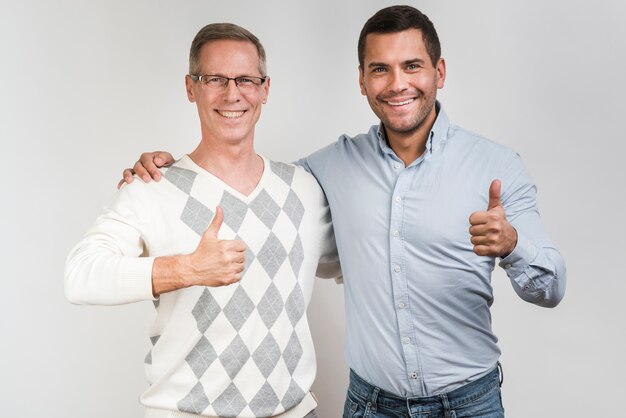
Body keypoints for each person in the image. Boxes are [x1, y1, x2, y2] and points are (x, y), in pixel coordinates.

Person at [121, 6, 566, 418]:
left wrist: (511, 246)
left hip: (471, 403)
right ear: (362, 80)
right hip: (369, 404)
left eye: (412, 66)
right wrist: (174, 172)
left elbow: (550, 287)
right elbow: (247, 186)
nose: (397, 84)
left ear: (439, 72)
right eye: (380, 69)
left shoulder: (496, 166)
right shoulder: (326, 169)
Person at [65, 22, 340, 418]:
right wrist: (186, 269)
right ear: (191, 87)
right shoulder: (151, 187)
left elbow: (352, 264)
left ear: (265, 88)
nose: (232, 94)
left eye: (245, 79)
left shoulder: (303, 189)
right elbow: (80, 275)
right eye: (215, 78)